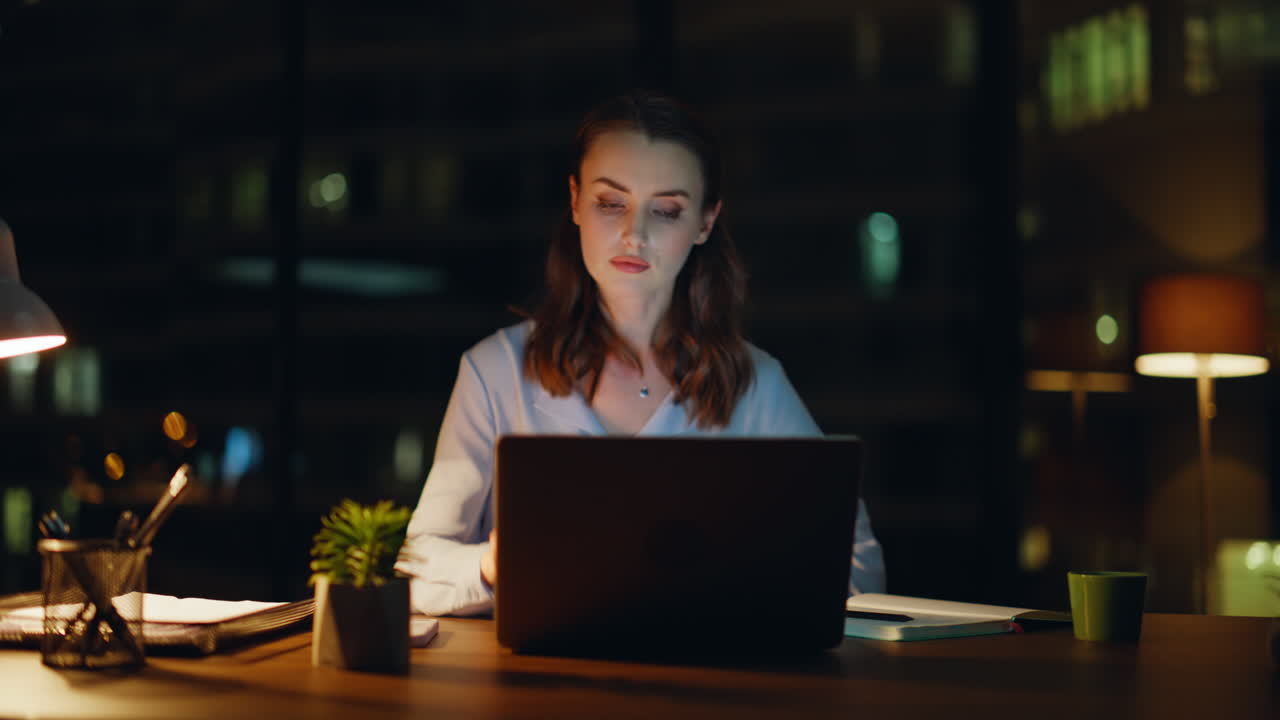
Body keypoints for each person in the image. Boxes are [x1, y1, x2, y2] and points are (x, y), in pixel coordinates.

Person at [398, 90, 885, 616]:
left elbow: (857, 568)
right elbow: (418, 569)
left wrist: (740, 581)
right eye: (611, 202)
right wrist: (491, 566)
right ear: (575, 200)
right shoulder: (496, 370)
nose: (635, 234)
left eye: (667, 211)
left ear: (705, 222)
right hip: (537, 688)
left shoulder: (753, 382)